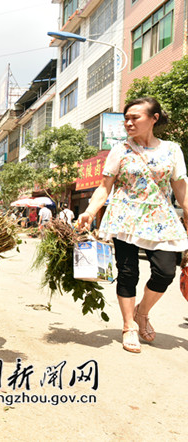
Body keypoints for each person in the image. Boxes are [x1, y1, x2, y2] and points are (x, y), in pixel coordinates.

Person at [78, 97, 188, 354]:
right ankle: (129, 325)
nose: (128, 123)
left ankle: (142, 312)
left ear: (154, 118)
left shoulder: (172, 150)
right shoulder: (120, 150)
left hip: (161, 220)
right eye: (126, 118)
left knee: (165, 272)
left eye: (134, 117)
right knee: (128, 273)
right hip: (124, 219)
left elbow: (181, 190)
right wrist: (90, 211)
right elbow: (104, 187)